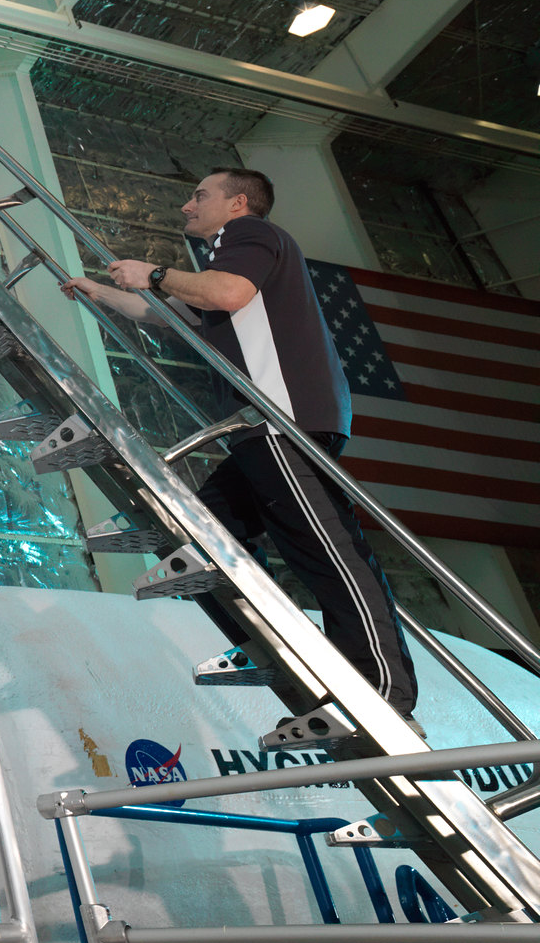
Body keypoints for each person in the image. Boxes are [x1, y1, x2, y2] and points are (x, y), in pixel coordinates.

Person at [62, 167, 416, 716]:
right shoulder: (225, 259)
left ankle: (384, 688)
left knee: (327, 551)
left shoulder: (250, 237)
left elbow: (224, 293)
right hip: (257, 427)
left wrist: (153, 272)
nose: (186, 206)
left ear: (239, 203)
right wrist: (104, 292)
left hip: (282, 419)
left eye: (200, 195)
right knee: (209, 535)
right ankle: (270, 643)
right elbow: (175, 316)